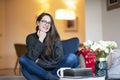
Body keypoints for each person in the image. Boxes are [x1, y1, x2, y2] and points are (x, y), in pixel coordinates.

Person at [19, 12, 80, 80]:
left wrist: (39, 62)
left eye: (49, 23)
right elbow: (31, 57)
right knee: (23, 59)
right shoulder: (30, 38)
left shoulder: (55, 37)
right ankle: (50, 77)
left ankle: (48, 76)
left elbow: (58, 59)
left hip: (55, 69)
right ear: (38, 23)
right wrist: (40, 40)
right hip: (38, 69)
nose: (46, 24)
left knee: (72, 57)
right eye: (44, 21)